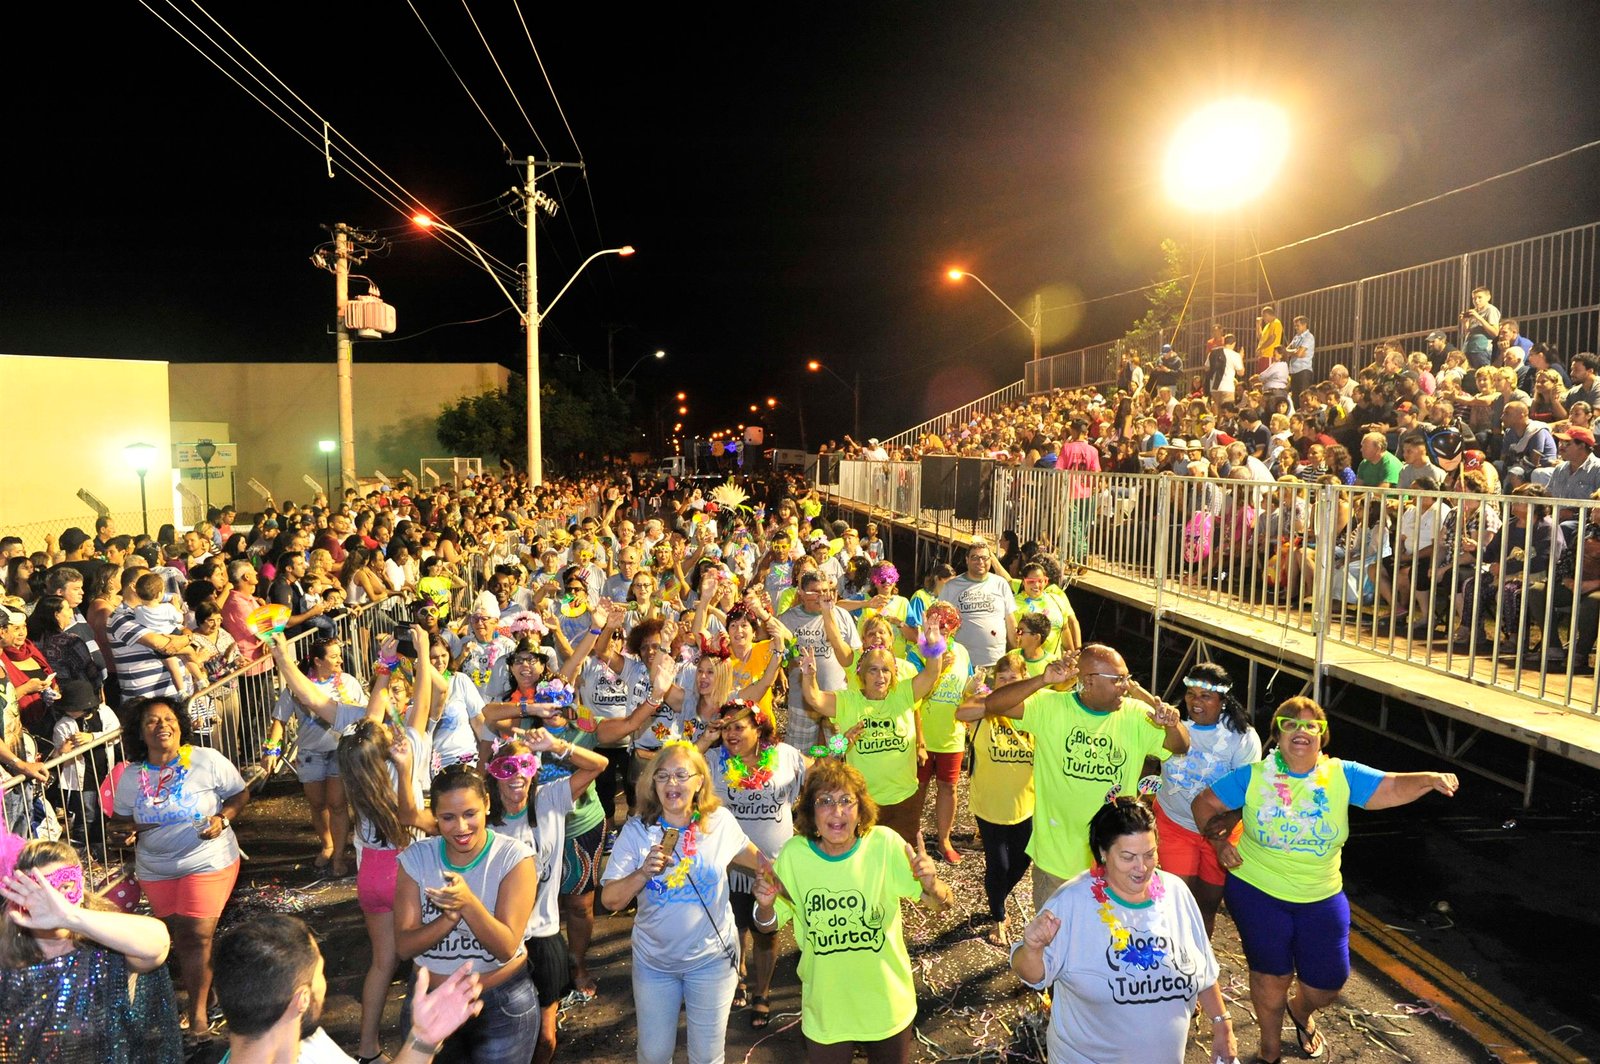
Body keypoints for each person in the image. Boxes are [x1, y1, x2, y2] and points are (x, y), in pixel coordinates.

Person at [1192, 697, 1459, 1063]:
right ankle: (1269, 1051)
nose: (1300, 731)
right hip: (1257, 891)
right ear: (1277, 735)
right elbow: (1204, 804)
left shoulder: (1342, 776)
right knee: (1271, 978)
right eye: (1289, 724)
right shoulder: (1253, 776)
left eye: (1310, 726)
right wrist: (1220, 843)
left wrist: (1429, 778)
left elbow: (1392, 786)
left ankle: (1300, 1011)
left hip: (1320, 895)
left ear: (1322, 736)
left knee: (1327, 985)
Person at [755, 759, 952, 1064]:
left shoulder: (885, 845)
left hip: (887, 1003)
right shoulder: (794, 855)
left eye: (847, 800)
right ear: (810, 812)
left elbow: (943, 903)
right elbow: (767, 925)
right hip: (827, 1007)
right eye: (825, 801)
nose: (837, 811)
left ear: (861, 810)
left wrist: (933, 885)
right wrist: (766, 907)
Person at [1010, 798, 1235, 1064]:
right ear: (1103, 853)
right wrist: (1032, 949)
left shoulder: (1176, 893)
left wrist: (1222, 1024)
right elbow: (1032, 974)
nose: (1142, 867)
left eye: (1149, 854)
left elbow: (1203, 970)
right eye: (1128, 857)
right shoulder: (1072, 902)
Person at [982, 645, 1188, 908]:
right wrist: (1043, 679)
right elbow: (993, 704)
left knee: (1108, 932)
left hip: (1115, 866)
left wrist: (1172, 725)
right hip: (1056, 864)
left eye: (1127, 678)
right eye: (1118, 680)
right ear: (1089, 681)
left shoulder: (1137, 715)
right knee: (1053, 933)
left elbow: (1180, 746)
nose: (1126, 687)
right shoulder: (1050, 706)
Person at [599, 742, 767, 1064]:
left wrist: (790, 883)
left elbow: (759, 861)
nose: (671, 783)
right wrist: (642, 873)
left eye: (680, 774)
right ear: (653, 783)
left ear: (699, 782)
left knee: (706, 1057)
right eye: (662, 776)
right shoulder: (637, 831)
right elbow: (610, 900)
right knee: (654, 1055)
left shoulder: (719, 822)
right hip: (655, 964)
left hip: (711, 961)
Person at [110, 695, 250, 1038]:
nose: (163, 726)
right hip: (156, 869)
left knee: (195, 936)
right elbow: (118, 822)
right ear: (139, 732)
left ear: (180, 725)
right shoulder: (131, 776)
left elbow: (239, 794)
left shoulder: (206, 759)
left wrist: (222, 819)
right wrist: (122, 833)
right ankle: (207, 992)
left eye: (169, 719)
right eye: (152, 721)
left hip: (208, 859)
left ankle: (198, 1016)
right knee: (181, 938)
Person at [394, 764, 538, 1064]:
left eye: (470, 813)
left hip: (502, 1004)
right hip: (431, 1003)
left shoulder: (513, 858)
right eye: (448, 817)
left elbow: (506, 947)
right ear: (435, 816)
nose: (461, 827)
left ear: (487, 804)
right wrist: (449, 918)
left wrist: (468, 904)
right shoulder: (416, 858)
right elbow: (405, 947)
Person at [212, 913, 484, 1064]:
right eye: (320, 973)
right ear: (302, 999)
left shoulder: (305, 1042)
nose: (324, 984)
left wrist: (423, 1040)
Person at [0, 838, 181, 1063]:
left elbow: (158, 944)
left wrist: (70, 917)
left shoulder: (108, 947)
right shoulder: (7, 956)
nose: (54, 902)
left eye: (64, 887)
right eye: (40, 893)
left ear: (81, 883)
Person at [486, 729, 606, 1064]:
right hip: (498, 939)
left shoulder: (549, 799)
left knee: (546, 1039)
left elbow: (598, 764)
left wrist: (556, 745)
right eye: (506, 768)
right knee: (502, 1036)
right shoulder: (482, 817)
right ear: (493, 774)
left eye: (525, 766)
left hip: (544, 934)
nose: (517, 776)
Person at [699, 698, 807, 1028]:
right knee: (734, 926)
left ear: (758, 729)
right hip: (731, 866)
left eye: (739, 727)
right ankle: (739, 975)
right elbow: (678, 766)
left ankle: (762, 991)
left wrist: (842, 741)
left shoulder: (785, 756)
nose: (731, 734)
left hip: (773, 866)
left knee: (766, 931)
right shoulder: (713, 761)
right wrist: (705, 738)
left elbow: (818, 768)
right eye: (726, 728)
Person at [799, 643, 948, 845]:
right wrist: (809, 676)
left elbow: (931, 673)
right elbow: (815, 698)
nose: (880, 676)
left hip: (904, 799)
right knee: (864, 857)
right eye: (873, 670)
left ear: (893, 674)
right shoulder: (848, 701)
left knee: (903, 857)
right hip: (862, 801)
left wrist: (933, 643)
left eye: (886, 670)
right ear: (862, 674)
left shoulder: (904, 694)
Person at [1151, 663, 1261, 936]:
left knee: (1207, 905)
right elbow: (1147, 762)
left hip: (1220, 830)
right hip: (1175, 824)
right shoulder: (1170, 725)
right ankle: (1173, 956)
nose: (1195, 702)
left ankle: (1200, 956)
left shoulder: (1243, 737)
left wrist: (1230, 820)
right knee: (1176, 902)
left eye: (1205, 696)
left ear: (1223, 700)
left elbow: (1250, 789)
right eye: (1191, 694)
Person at [262, 636, 364, 876]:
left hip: (340, 751)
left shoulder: (348, 683)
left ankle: (339, 856)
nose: (340, 660)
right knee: (318, 804)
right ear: (318, 661)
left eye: (340, 655)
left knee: (337, 804)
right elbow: (279, 720)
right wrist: (271, 749)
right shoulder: (297, 686)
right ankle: (327, 846)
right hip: (310, 754)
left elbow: (366, 713)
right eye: (334, 656)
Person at [953, 651, 1033, 944]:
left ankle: (996, 894)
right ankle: (998, 916)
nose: (1008, 684)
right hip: (989, 806)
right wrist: (986, 699)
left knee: (1022, 861)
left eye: (1014, 679)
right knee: (998, 864)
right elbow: (960, 713)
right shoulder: (983, 711)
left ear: (1025, 680)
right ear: (993, 682)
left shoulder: (1033, 712)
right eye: (1002, 679)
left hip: (1026, 805)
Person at [936, 540, 1016, 670]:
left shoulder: (1001, 584)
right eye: (975, 557)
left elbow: (1010, 622)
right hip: (963, 663)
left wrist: (1015, 653)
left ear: (990, 560)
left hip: (996, 662)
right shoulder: (951, 586)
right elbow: (940, 623)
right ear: (967, 560)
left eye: (984, 557)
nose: (980, 561)